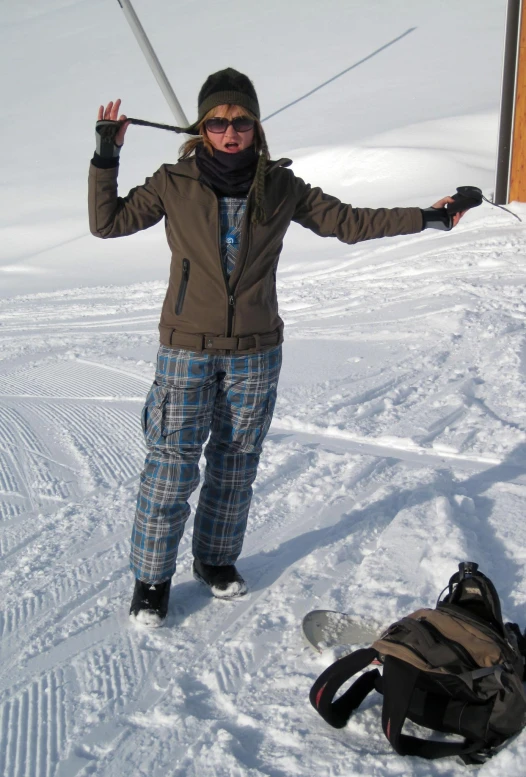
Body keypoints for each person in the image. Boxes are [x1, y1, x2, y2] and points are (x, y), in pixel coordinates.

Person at [88, 68, 464, 627]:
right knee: (170, 466)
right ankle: (152, 580)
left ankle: (215, 560)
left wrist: (431, 217)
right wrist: (105, 156)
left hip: (256, 351)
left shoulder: (282, 187)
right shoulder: (173, 180)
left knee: (236, 465)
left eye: (240, 120)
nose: (229, 130)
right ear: (202, 127)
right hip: (187, 346)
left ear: (256, 126)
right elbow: (107, 223)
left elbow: (351, 222)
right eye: (218, 121)